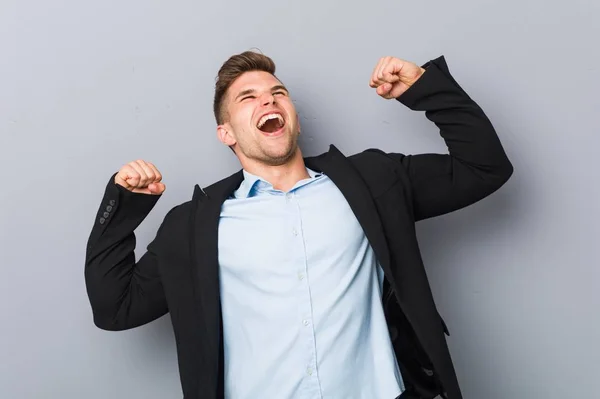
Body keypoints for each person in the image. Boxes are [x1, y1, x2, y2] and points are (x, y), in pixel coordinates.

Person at [85, 50, 513, 399]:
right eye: (247, 98)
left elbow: (484, 168)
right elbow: (115, 308)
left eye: (278, 92)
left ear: (294, 116)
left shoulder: (372, 182)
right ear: (226, 133)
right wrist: (123, 209)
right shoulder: (194, 226)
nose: (268, 100)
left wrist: (425, 90)